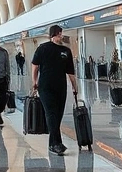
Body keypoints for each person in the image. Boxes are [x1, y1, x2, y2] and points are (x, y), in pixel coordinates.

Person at [31, 25, 78, 156]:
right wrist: (34, 82)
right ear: (53, 35)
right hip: (45, 86)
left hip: (61, 86)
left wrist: (75, 86)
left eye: (61, 34)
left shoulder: (66, 51)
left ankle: (53, 144)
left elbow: (70, 72)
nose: (61, 36)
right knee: (51, 114)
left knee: (58, 115)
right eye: (58, 34)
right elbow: (34, 66)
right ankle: (56, 144)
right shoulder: (43, 48)